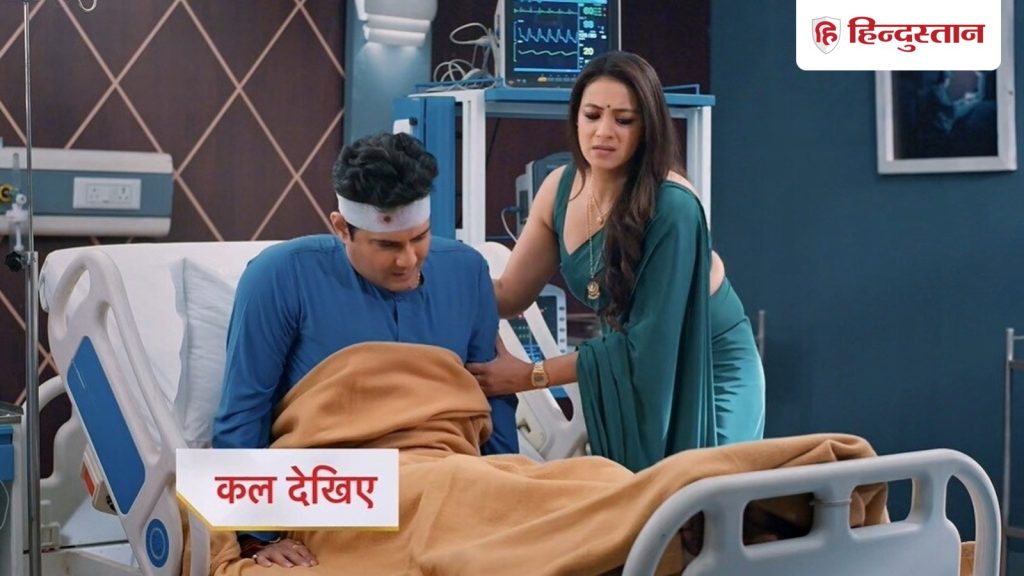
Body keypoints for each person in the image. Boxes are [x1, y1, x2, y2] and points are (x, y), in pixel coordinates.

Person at [211, 132, 519, 567]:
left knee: (596, 484)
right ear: (342, 228)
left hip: (453, 476)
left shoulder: (466, 272)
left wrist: (510, 490)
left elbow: (491, 398)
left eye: (420, 238)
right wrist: (254, 535)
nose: (408, 260)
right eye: (387, 245)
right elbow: (244, 410)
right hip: (338, 486)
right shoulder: (280, 277)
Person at [467, 51, 764, 473]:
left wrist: (530, 375)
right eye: (592, 115)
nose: (603, 132)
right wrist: (431, 276)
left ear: (647, 128)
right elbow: (509, 295)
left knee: (698, 496)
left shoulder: (673, 207)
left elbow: (650, 345)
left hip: (704, 372)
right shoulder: (559, 188)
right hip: (634, 357)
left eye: (623, 120)